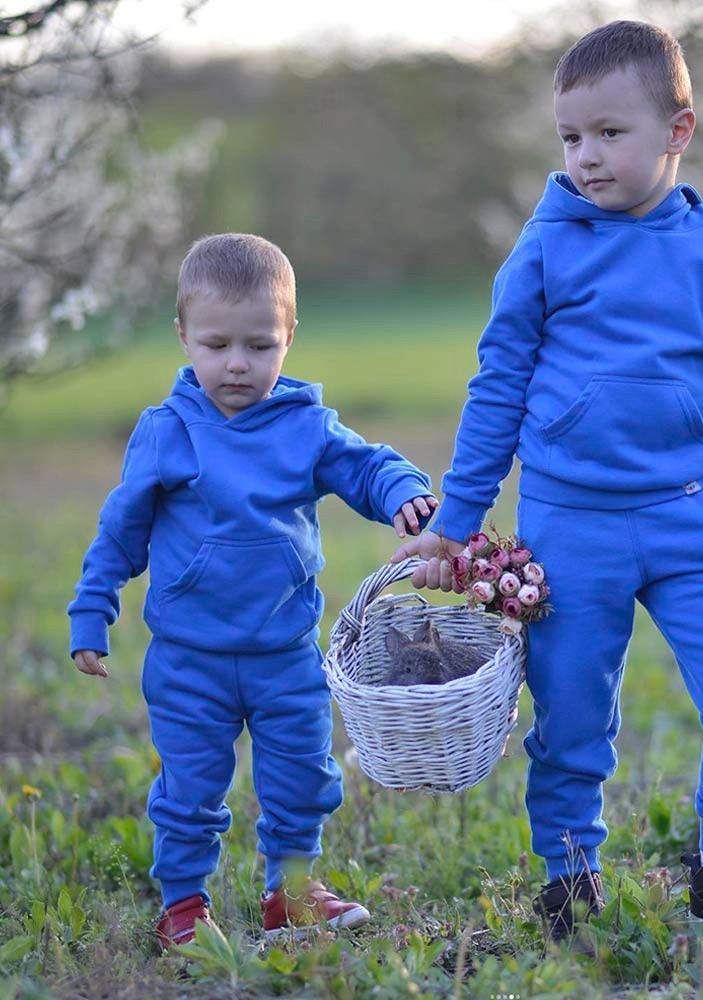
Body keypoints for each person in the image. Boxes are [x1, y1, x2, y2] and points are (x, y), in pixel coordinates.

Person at [392, 21, 703, 944]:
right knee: (571, 719)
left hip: (693, 525)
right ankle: (569, 885)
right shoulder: (542, 251)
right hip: (570, 529)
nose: (585, 156)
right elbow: (497, 389)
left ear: (678, 130)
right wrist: (458, 520)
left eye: (608, 132)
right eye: (570, 136)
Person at [69, 233, 438, 951]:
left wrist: (403, 492)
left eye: (259, 345)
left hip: (284, 652)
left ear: (289, 337)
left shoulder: (307, 427)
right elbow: (119, 533)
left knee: (303, 778)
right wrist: (91, 611)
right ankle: (183, 906)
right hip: (189, 659)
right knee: (190, 787)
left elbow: (367, 467)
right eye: (216, 345)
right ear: (184, 337)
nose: (237, 363)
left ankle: (291, 894)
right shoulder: (168, 432)